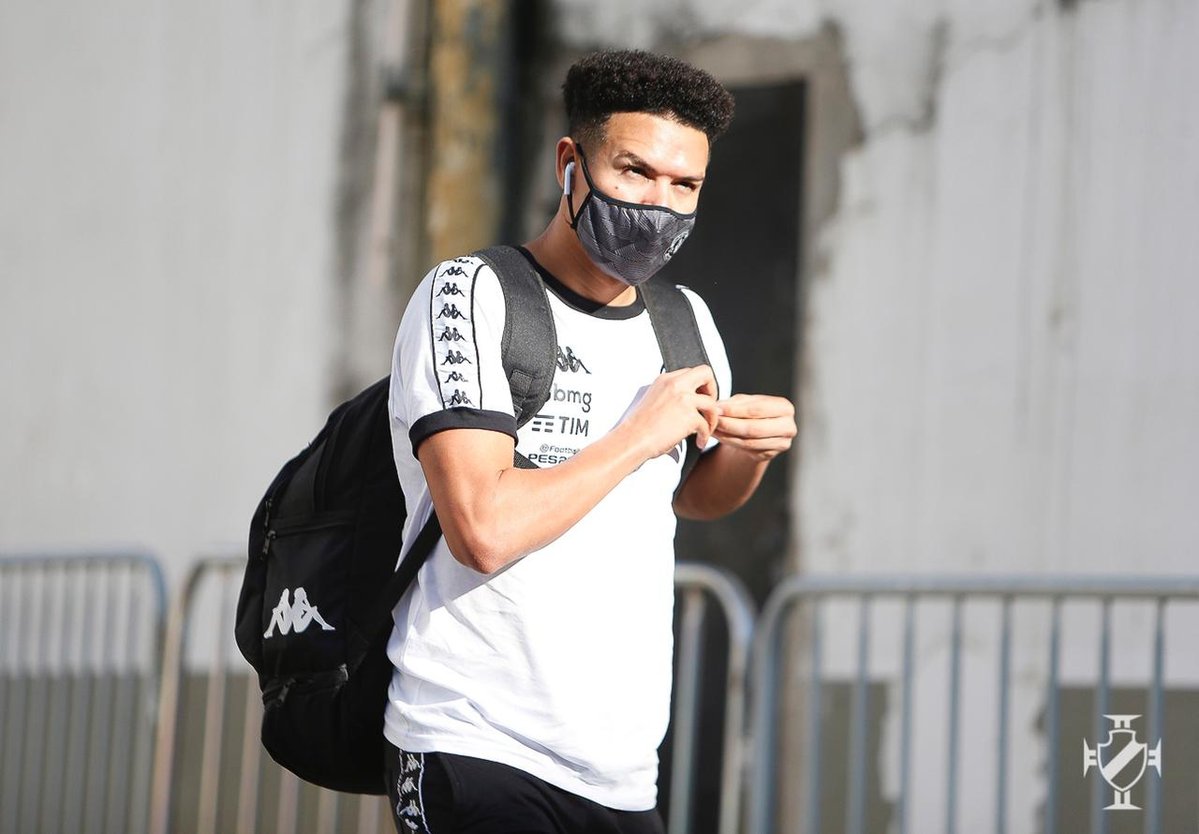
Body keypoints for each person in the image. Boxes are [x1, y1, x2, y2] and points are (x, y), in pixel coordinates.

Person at [384, 49, 796, 834]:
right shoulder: (471, 294)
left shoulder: (685, 320)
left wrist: (750, 450)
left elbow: (690, 497)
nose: (658, 204)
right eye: (634, 171)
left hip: (622, 769)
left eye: (684, 185)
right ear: (569, 163)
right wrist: (636, 435)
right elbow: (481, 530)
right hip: (475, 742)